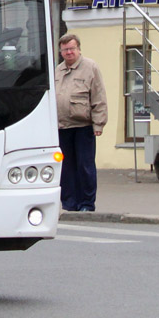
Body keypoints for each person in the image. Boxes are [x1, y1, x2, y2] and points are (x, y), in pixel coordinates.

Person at [55, 33, 108, 212]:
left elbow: (99, 95)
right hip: (62, 127)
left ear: (79, 49)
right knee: (66, 168)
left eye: (72, 49)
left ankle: (86, 203)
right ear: (61, 52)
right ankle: (70, 203)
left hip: (83, 126)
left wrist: (99, 123)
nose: (69, 52)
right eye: (65, 50)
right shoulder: (58, 70)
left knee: (84, 166)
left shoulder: (90, 67)